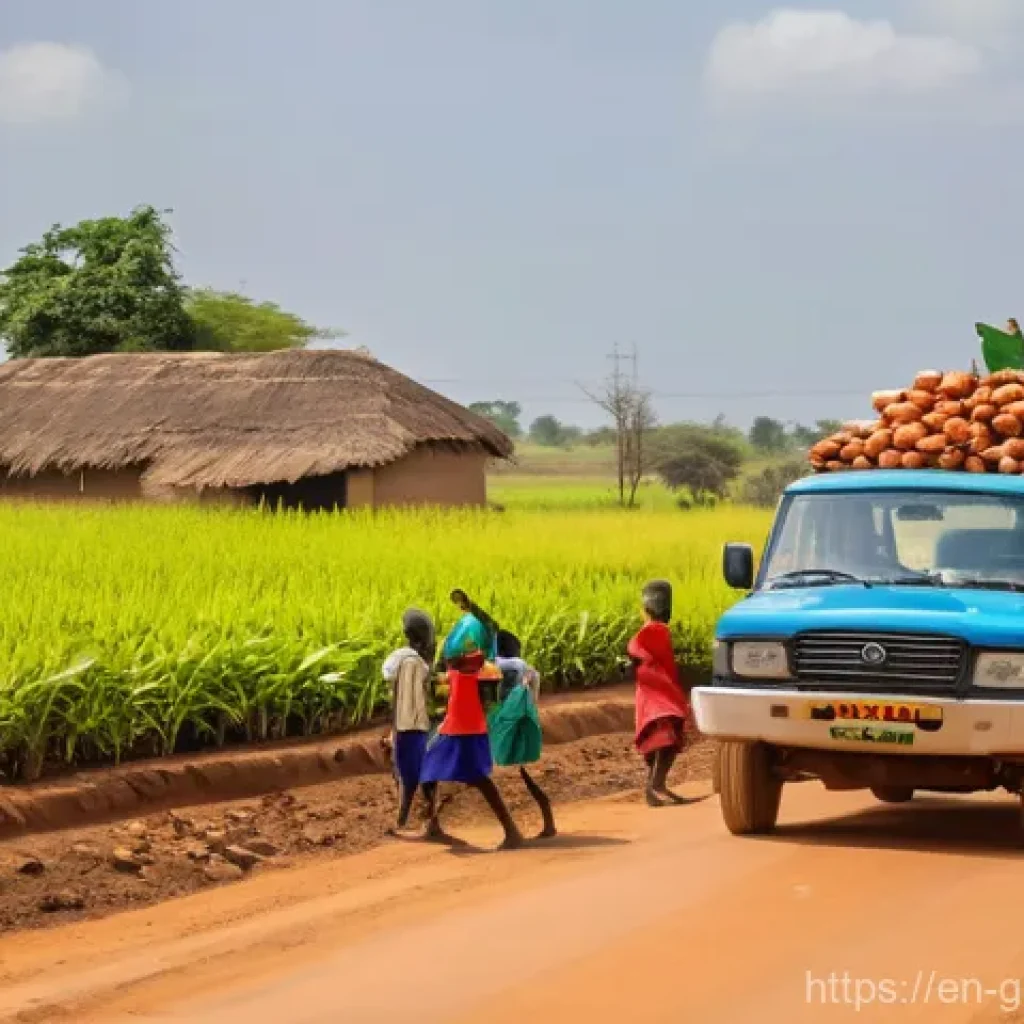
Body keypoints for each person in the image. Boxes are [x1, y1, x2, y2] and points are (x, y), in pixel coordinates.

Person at [419, 590, 525, 850]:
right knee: (430, 769)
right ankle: (432, 824)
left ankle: (512, 832)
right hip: (458, 727)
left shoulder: (478, 670)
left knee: (476, 778)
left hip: (463, 730)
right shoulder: (468, 670)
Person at [628, 579, 691, 807]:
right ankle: (655, 787)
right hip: (657, 694)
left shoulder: (654, 630)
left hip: (656, 692)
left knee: (664, 739)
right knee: (665, 738)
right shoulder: (655, 630)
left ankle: (656, 786)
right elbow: (636, 649)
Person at [491, 628, 556, 838]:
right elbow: (533, 702)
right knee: (527, 776)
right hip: (525, 727)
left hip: (502, 728)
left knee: (507, 778)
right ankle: (547, 821)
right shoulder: (529, 671)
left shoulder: (496, 667)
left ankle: (514, 829)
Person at [382, 608, 436, 832]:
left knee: (410, 774)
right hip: (417, 725)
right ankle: (417, 820)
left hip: (403, 725)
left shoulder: (399, 658)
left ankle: (407, 820)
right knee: (418, 773)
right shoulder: (417, 663)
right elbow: (423, 696)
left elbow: (389, 678)